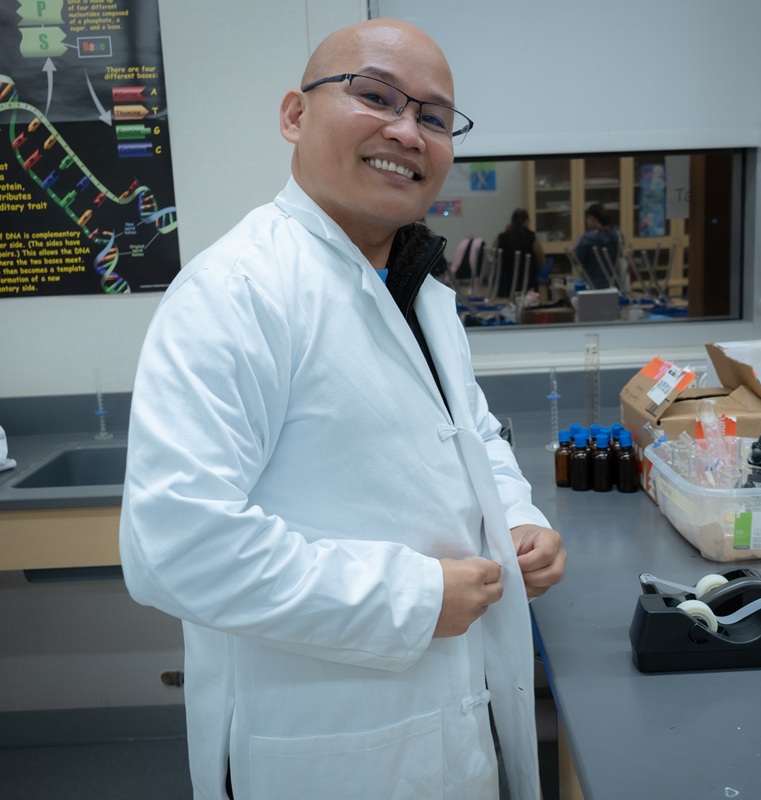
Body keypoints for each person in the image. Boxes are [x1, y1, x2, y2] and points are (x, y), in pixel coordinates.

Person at [119, 18, 566, 800]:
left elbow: (471, 435)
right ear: (295, 115)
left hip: (450, 718)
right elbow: (175, 548)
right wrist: (414, 599)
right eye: (376, 96)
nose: (408, 131)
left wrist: (518, 519)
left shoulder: (418, 289)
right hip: (320, 743)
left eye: (434, 117)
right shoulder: (236, 293)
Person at [491, 208, 545, 298]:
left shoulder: (501, 238)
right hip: (528, 284)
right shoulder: (532, 239)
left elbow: (492, 256)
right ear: (527, 221)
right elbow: (541, 262)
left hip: (505, 285)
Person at [574, 203, 623, 290]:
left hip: (593, 284)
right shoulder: (618, 235)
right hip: (615, 284)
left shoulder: (588, 238)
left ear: (592, 219)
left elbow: (577, 259)